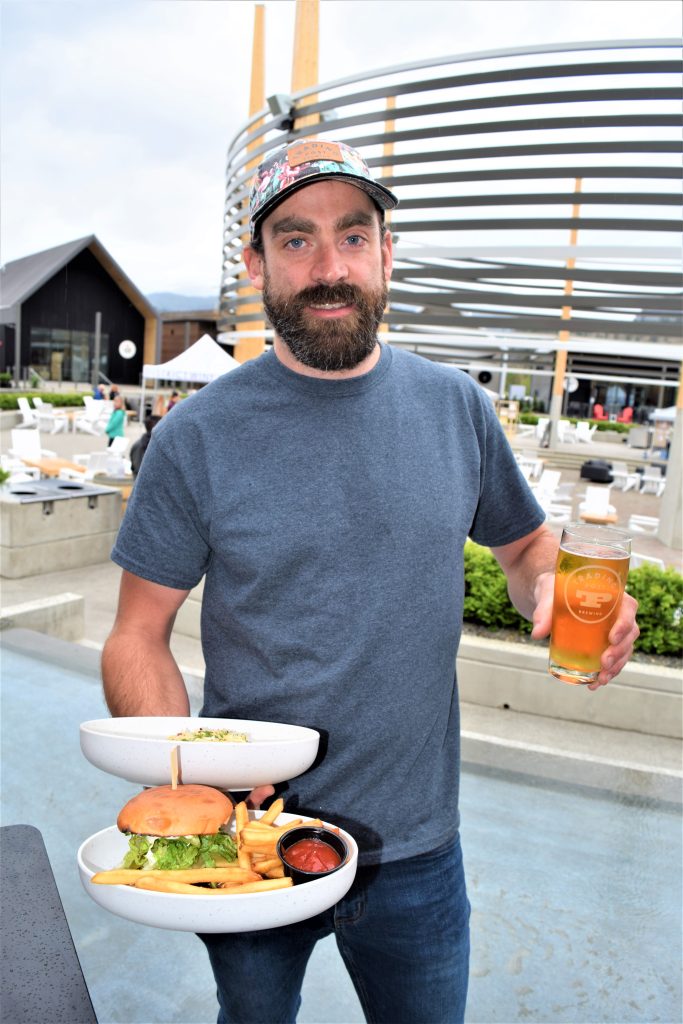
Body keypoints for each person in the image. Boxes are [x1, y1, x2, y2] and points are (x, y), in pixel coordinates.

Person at [102, 139, 639, 1024]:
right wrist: (190, 784)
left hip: (419, 850)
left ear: (387, 253)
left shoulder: (455, 407)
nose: (328, 268)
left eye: (353, 237)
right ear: (255, 264)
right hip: (255, 831)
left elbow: (525, 550)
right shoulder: (198, 436)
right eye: (296, 240)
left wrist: (552, 588)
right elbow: (136, 633)